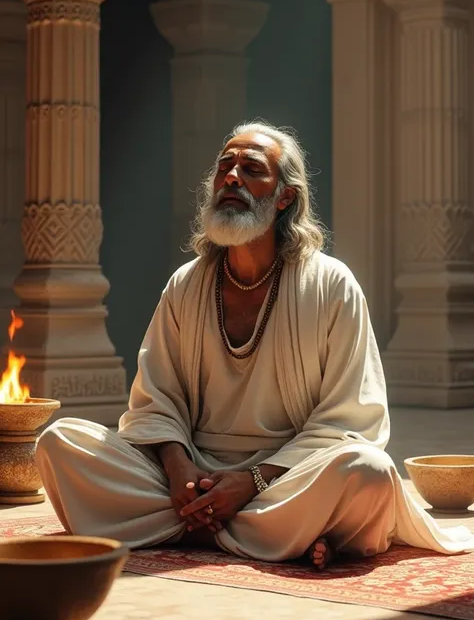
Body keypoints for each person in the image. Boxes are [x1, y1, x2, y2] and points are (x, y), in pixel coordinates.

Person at [36, 120, 474, 569]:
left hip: (287, 476)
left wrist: (252, 481)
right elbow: (154, 404)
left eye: (251, 169)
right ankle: (275, 534)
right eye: (225, 166)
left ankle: (193, 527)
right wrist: (180, 473)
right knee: (60, 440)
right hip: (191, 475)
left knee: (369, 471)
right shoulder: (186, 284)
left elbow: (351, 419)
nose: (231, 177)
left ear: (285, 197)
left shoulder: (330, 283)